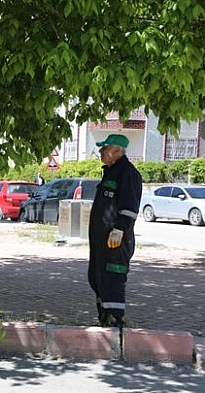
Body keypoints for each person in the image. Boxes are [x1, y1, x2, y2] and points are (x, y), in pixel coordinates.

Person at [88, 134, 142, 329]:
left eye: (105, 149)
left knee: (112, 278)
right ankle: (105, 318)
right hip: (102, 241)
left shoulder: (128, 173)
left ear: (117, 151)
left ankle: (115, 322)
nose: (101, 152)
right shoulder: (110, 172)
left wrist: (119, 228)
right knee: (98, 277)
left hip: (116, 241)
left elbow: (129, 206)